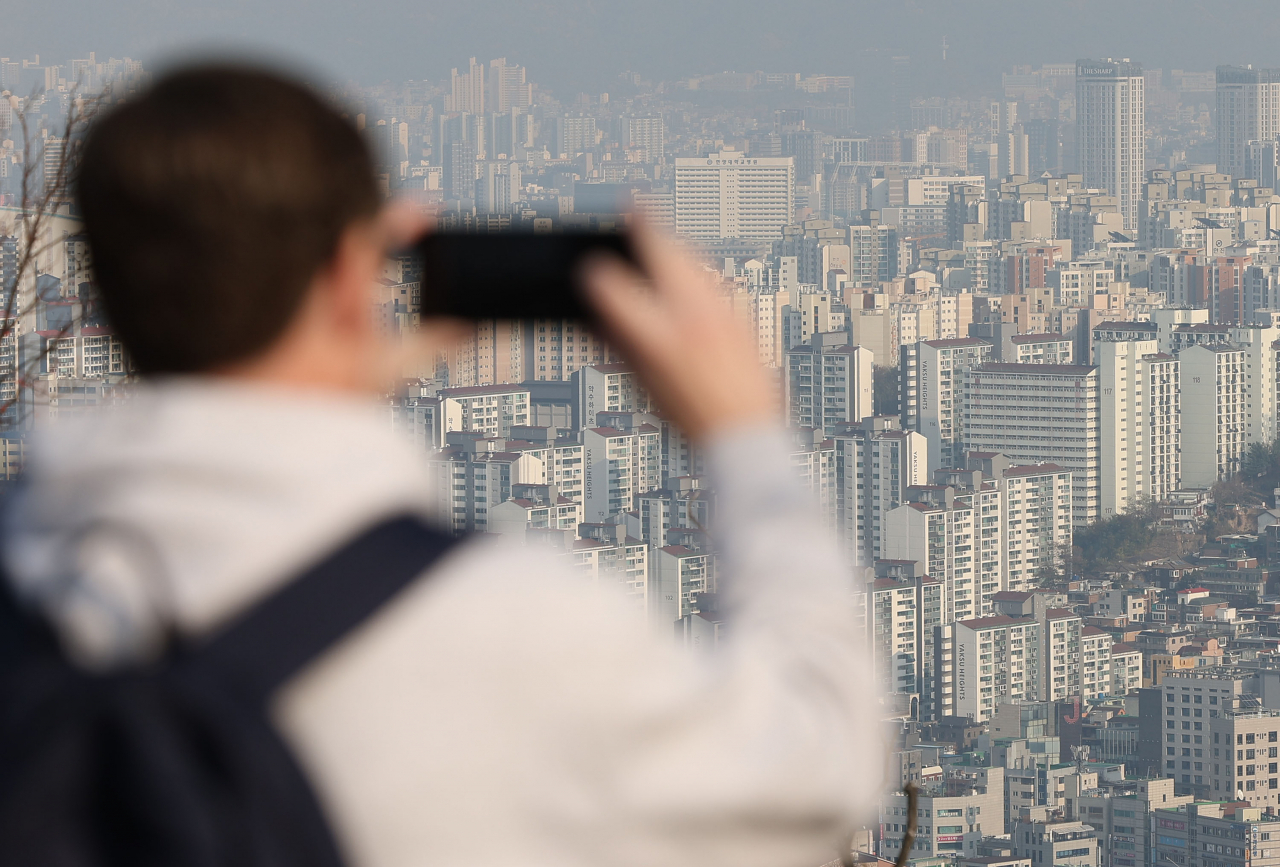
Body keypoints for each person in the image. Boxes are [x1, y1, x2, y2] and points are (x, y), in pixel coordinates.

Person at [4, 65, 884, 867]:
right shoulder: (506, 629)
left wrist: (336, 370)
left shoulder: (28, 566)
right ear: (354, 272)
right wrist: (744, 436)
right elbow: (824, 765)